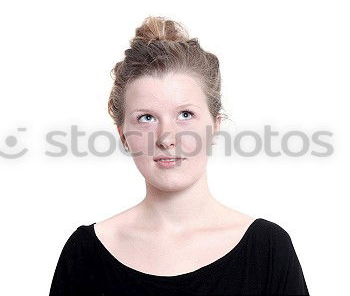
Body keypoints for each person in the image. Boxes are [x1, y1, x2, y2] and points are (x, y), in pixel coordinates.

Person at [49, 16, 309, 295]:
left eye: (185, 115)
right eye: (146, 117)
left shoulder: (268, 249)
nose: (166, 138)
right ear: (122, 133)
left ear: (215, 126)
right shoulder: (84, 253)